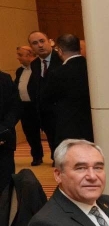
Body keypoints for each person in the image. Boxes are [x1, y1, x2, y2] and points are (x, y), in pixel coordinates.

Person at [44, 34, 94, 147]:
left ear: (60, 51)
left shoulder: (57, 73)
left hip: (68, 127)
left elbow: (47, 100)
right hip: (93, 125)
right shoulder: (91, 69)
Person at [27, 30, 62, 163]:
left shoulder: (61, 59)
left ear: (50, 42)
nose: (40, 45)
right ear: (31, 47)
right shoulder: (35, 64)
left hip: (61, 113)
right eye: (35, 43)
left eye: (42, 41)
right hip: (45, 114)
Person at [14, 46, 44, 166]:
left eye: (20, 55)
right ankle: (37, 156)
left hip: (38, 105)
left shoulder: (39, 69)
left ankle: (55, 156)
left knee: (49, 131)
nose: (18, 58)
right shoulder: (19, 71)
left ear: (30, 55)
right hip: (25, 107)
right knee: (30, 133)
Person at [0, 69, 21, 193]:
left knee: (5, 186)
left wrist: (3, 130)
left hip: (4, 140)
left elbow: (15, 107)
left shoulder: (4, 79)